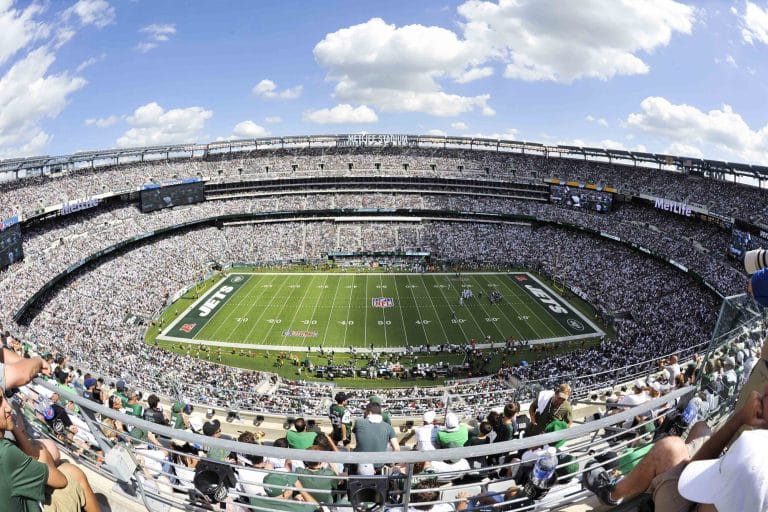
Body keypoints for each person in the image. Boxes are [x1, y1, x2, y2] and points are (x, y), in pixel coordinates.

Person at [583, 383, 768, 511]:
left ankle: (612, 494)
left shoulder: (754, 453)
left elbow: (693, 479)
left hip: (696, 505)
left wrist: (738, 419)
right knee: (702, 428)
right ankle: (653, 484)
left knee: (670, 448)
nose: (762, 389)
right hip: (715, 493)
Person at [0, 388, 100, 511]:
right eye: (0, 402)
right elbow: (60, 481)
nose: (8, 407)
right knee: (74, 473)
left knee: (62, 464)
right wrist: (15, 429)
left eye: (5, 398)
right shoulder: (5, 452)